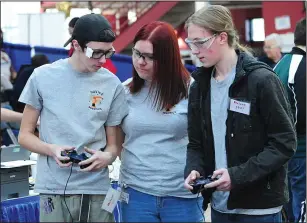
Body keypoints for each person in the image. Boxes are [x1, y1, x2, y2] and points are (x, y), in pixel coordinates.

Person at [183, 5, 296, 223]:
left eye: (200, 42)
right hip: (220, 207)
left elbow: (284, 143)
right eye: (191, 43)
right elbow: (195, 143)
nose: (194, 50)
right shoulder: (199, 86)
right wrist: (194, 169)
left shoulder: (262, 81)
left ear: (222, 37)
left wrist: (237, 176)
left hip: (260, 209)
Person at [18, 13, 128, 222]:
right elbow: (25, 135)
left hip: (98, 189)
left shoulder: (112, 84)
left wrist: (107, 156)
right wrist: (52, 149)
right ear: (76, 45)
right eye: (96, 53)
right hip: (53, 189)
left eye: (108, 53)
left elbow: (114, 146)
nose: (102, 60)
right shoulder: (42, 77)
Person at [119, 21, 204, 222]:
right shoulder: (124, 91)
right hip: (136, 193)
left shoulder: (192, 90)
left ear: (168, 59)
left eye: (150, 57)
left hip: (181, 195)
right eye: (137, 53)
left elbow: (204, 142)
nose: (140, 62)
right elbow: (115, 142)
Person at [274, 18, 306, 223]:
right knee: (301, 203)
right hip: (301, 149)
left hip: (281, 150)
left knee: (289, 204)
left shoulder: (280, 64)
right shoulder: (302, 66)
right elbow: (302, 113)